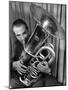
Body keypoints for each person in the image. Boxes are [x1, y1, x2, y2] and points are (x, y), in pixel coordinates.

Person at [10, 19, 62, 89]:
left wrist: (47, 69)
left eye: (24, 33)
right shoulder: (13, 46)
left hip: (36, 79)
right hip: (19, 78)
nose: (22, 38)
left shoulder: (39, 43)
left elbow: (47, 65)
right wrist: (13, 64)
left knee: (39, 85)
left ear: (28, 30)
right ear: (15, 35)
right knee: (12, 83)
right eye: (18, 35)